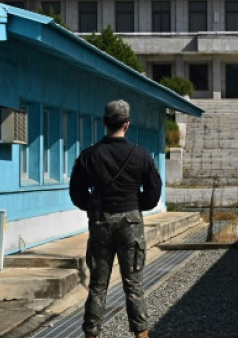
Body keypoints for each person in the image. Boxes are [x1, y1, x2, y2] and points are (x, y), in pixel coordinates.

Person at [69, 99, 162, 338]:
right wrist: (133, 205)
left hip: (100, 222)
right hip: (131, 222)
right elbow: (153, 194)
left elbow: (76, 193)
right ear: (127, 124)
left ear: (104, 123)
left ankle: (91, 333)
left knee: (98, 285)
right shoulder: (141, 155)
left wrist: (94, 205)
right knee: (134, 285)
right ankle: (141, 335)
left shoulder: (89, 155)